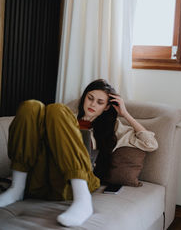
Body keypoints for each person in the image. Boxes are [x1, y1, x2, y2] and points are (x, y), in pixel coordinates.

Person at [0, 79, 158, 227]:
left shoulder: (113, 129)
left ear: (107, 107)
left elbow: (150, 144)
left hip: (73, 182)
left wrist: (125, 114)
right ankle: (17, 188)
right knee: (31, 106)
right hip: (41, 179)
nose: (92, 104)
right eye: (90, 98)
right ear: (84, 97)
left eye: (100, 102)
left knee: (56, 108)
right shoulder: (64, 118)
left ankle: (83, 200)